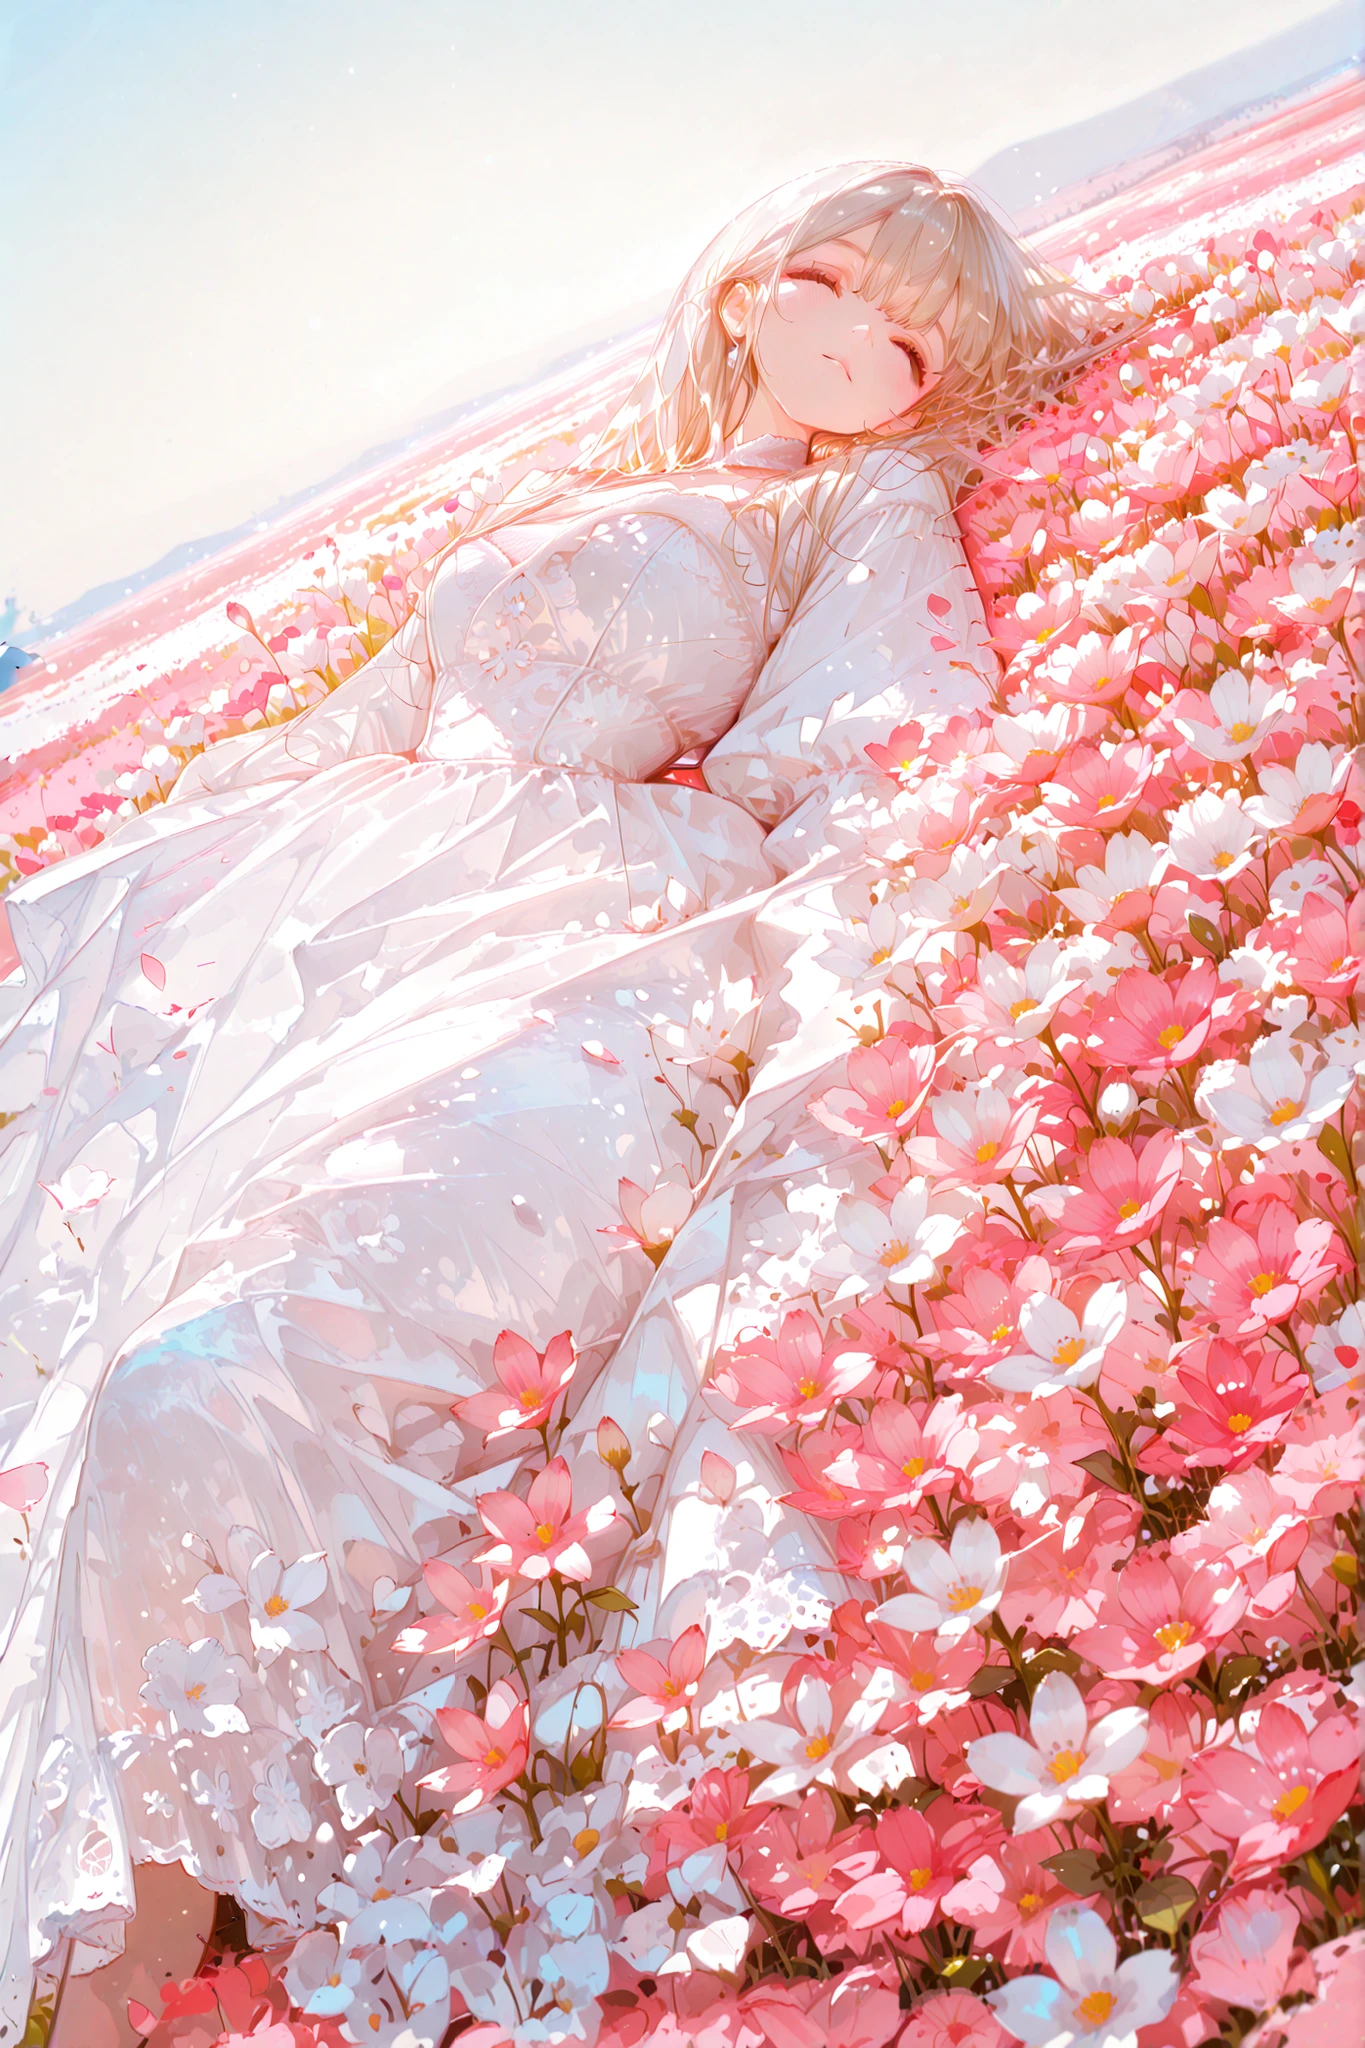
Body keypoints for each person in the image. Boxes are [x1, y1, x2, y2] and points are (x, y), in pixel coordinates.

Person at [0, 160, 1118, 2037]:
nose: (857, 343)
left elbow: (872, 743)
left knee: (198, 1378)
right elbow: (357, 722)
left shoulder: (863, 500)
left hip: (588, 933)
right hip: (354, 926)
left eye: (912, 336)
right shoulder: (588, 490)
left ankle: (173, 1926)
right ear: (754, 286)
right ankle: (133, 1936)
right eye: (837, 284)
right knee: (115, 1368)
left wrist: (805, 952)